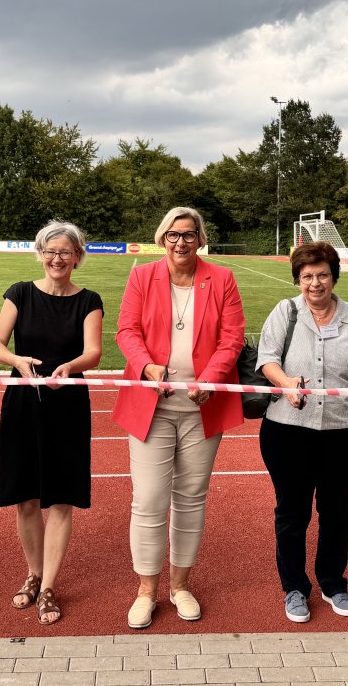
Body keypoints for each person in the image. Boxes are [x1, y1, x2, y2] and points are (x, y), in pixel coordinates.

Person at [113, 206, 245, 629]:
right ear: (162, 239)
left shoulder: (221, 278)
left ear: (200, 238)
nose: (181, 242)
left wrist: (212, 376)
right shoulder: (141, 277)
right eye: (173, 235)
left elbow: (233, 337)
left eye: (188, 235)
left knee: (191, 501)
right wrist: (147, 367)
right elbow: (126, 332)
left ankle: (180, 585)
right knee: (149, 501)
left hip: (202, 408)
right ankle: (146, 591)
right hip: (152, 406)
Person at [257, 242, 348, 623]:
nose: (315, 283)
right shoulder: (286, 311)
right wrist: (287, 383)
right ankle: (294, 587)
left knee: (336, 511)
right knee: (292, 511)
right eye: (307, 276)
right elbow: (267, 360)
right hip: (287, 430)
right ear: (298, 279)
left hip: (343, 432)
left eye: (322, 274)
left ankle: (333, 583)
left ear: (334, 277)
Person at [0, 220, 103, 626]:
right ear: (40, 253)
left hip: (68, 401)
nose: (57, 259)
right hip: (24, 399)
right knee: (26, 498)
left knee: (62, 497)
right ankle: (33, 574)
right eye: (51, 251)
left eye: (66, 253)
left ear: (77, 258)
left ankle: (50, 585)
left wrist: (69, 367)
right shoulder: (19, 292)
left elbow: (93, 352)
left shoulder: (88, 299)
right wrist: (18, 362)